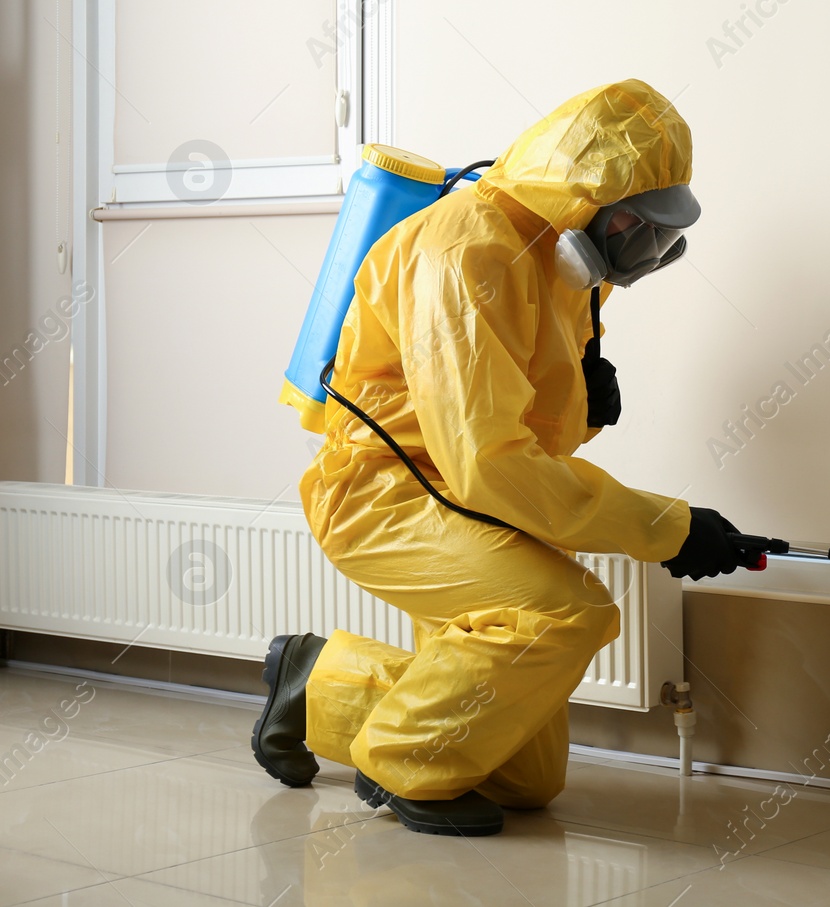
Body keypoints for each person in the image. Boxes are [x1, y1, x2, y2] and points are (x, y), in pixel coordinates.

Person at [250, 80, 745, 836]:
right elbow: (492, 461)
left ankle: (314, 681)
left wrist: (583, 402)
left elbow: (521, 434)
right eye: (635, 227)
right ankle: (400, 763)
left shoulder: (558, 256)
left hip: (458, 496)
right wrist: (670, 528)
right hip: (386, 494)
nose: (644, 250)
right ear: (586, 197)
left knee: (525, 778)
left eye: (655, 232)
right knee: (567, 609)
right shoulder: (463, 254)